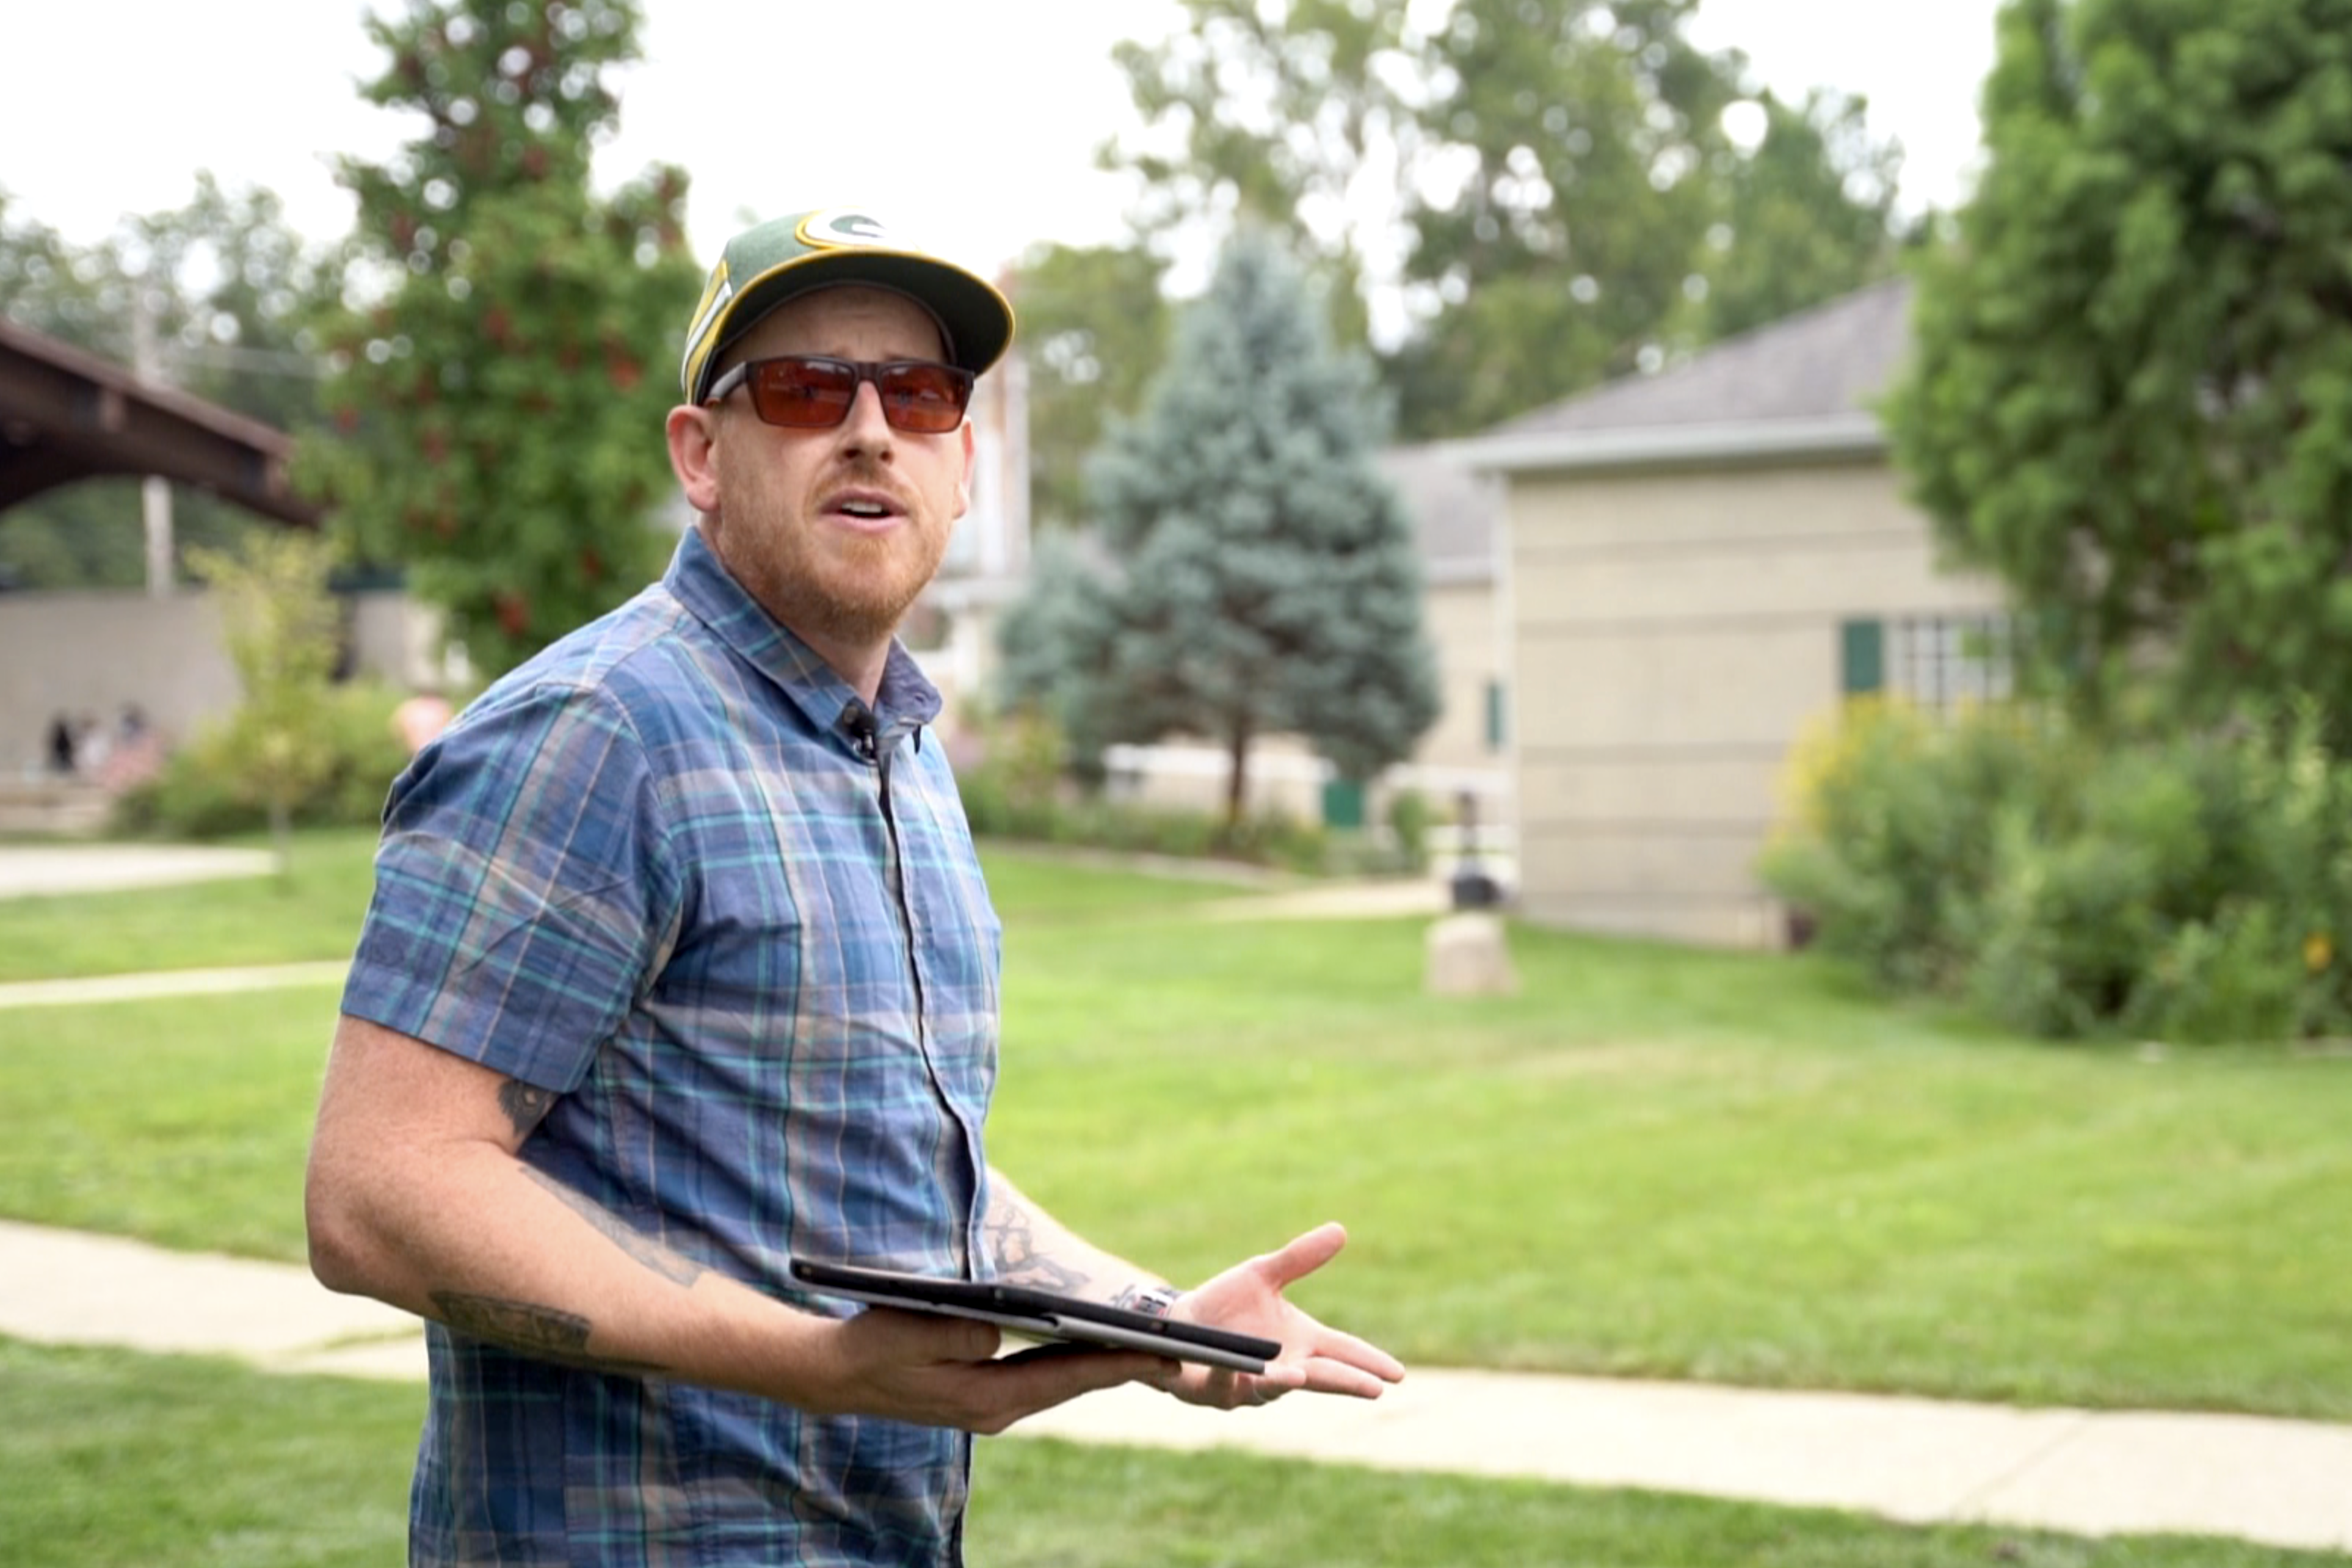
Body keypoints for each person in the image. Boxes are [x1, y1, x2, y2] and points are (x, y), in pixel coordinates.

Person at [304, 206, 1404, 1567]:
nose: (873, 427)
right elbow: (375, 1192)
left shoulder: (897, 755)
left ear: (959, 469)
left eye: (923, 393)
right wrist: (814, 1364)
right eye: (808, 389)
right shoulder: (598, 733)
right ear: (701, 455)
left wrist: (1158, 1316)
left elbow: (891, 1173)